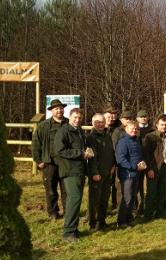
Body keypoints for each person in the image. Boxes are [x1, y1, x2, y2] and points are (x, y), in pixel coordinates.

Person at [54, 108, 92, 241]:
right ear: (69, 117)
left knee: (76, 200)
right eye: (75, 117)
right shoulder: (63, 131)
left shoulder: (80, 131)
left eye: (80, 118)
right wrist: (80, 153)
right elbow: (60, 150)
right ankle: (68, 232)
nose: (77, 120)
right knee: (74, 199)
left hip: (79, 170)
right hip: (70, 170)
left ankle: (74, 229)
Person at [32, 99, 68, 220]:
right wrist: (38, 160)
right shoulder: (44, 126)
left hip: (65, 163)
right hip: (49, 163)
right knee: (51, 190)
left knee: (66, 189)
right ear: (52, 111)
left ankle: (68, 211)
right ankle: (53, 212)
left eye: (61, 108)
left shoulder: (68, 124)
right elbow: (36, 144)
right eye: (56, 108)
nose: (59, 110)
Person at [86, 113, 115, 231]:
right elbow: (92, 158)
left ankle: (102, 221)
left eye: (102, 122)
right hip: (97, 174)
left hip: (108, 172)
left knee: (104, 198)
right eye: (98, 122)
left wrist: (113, 165)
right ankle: (93, 223)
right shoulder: (91, 138)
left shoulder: (107, 136)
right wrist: (94, 173)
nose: (100, 124)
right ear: (93, 123)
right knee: (95, 200)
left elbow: (111, 153)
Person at [142, 115, 166, 221]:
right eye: (162, 125)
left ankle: (160, 212)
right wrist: (149, 169)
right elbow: (146, 155)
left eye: (165, 124)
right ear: (157, 125)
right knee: (151, 192)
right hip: (153, 168)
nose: (164, 126)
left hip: (165, 167)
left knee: (162, 191)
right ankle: (148, 214)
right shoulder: (150, 136)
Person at [115, 121, 146, 228]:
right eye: (132, 128)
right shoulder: (123, 142)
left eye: (136, 128)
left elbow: (138, 156)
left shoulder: (136, 141)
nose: (134, 130)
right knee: (126, 198)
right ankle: (121, 222)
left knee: (133, 198)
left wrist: (141, 163)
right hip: (127, 175)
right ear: (126, 129)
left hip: (136, 174)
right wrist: (133, 167)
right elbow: (121, 159)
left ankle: (129, 219)